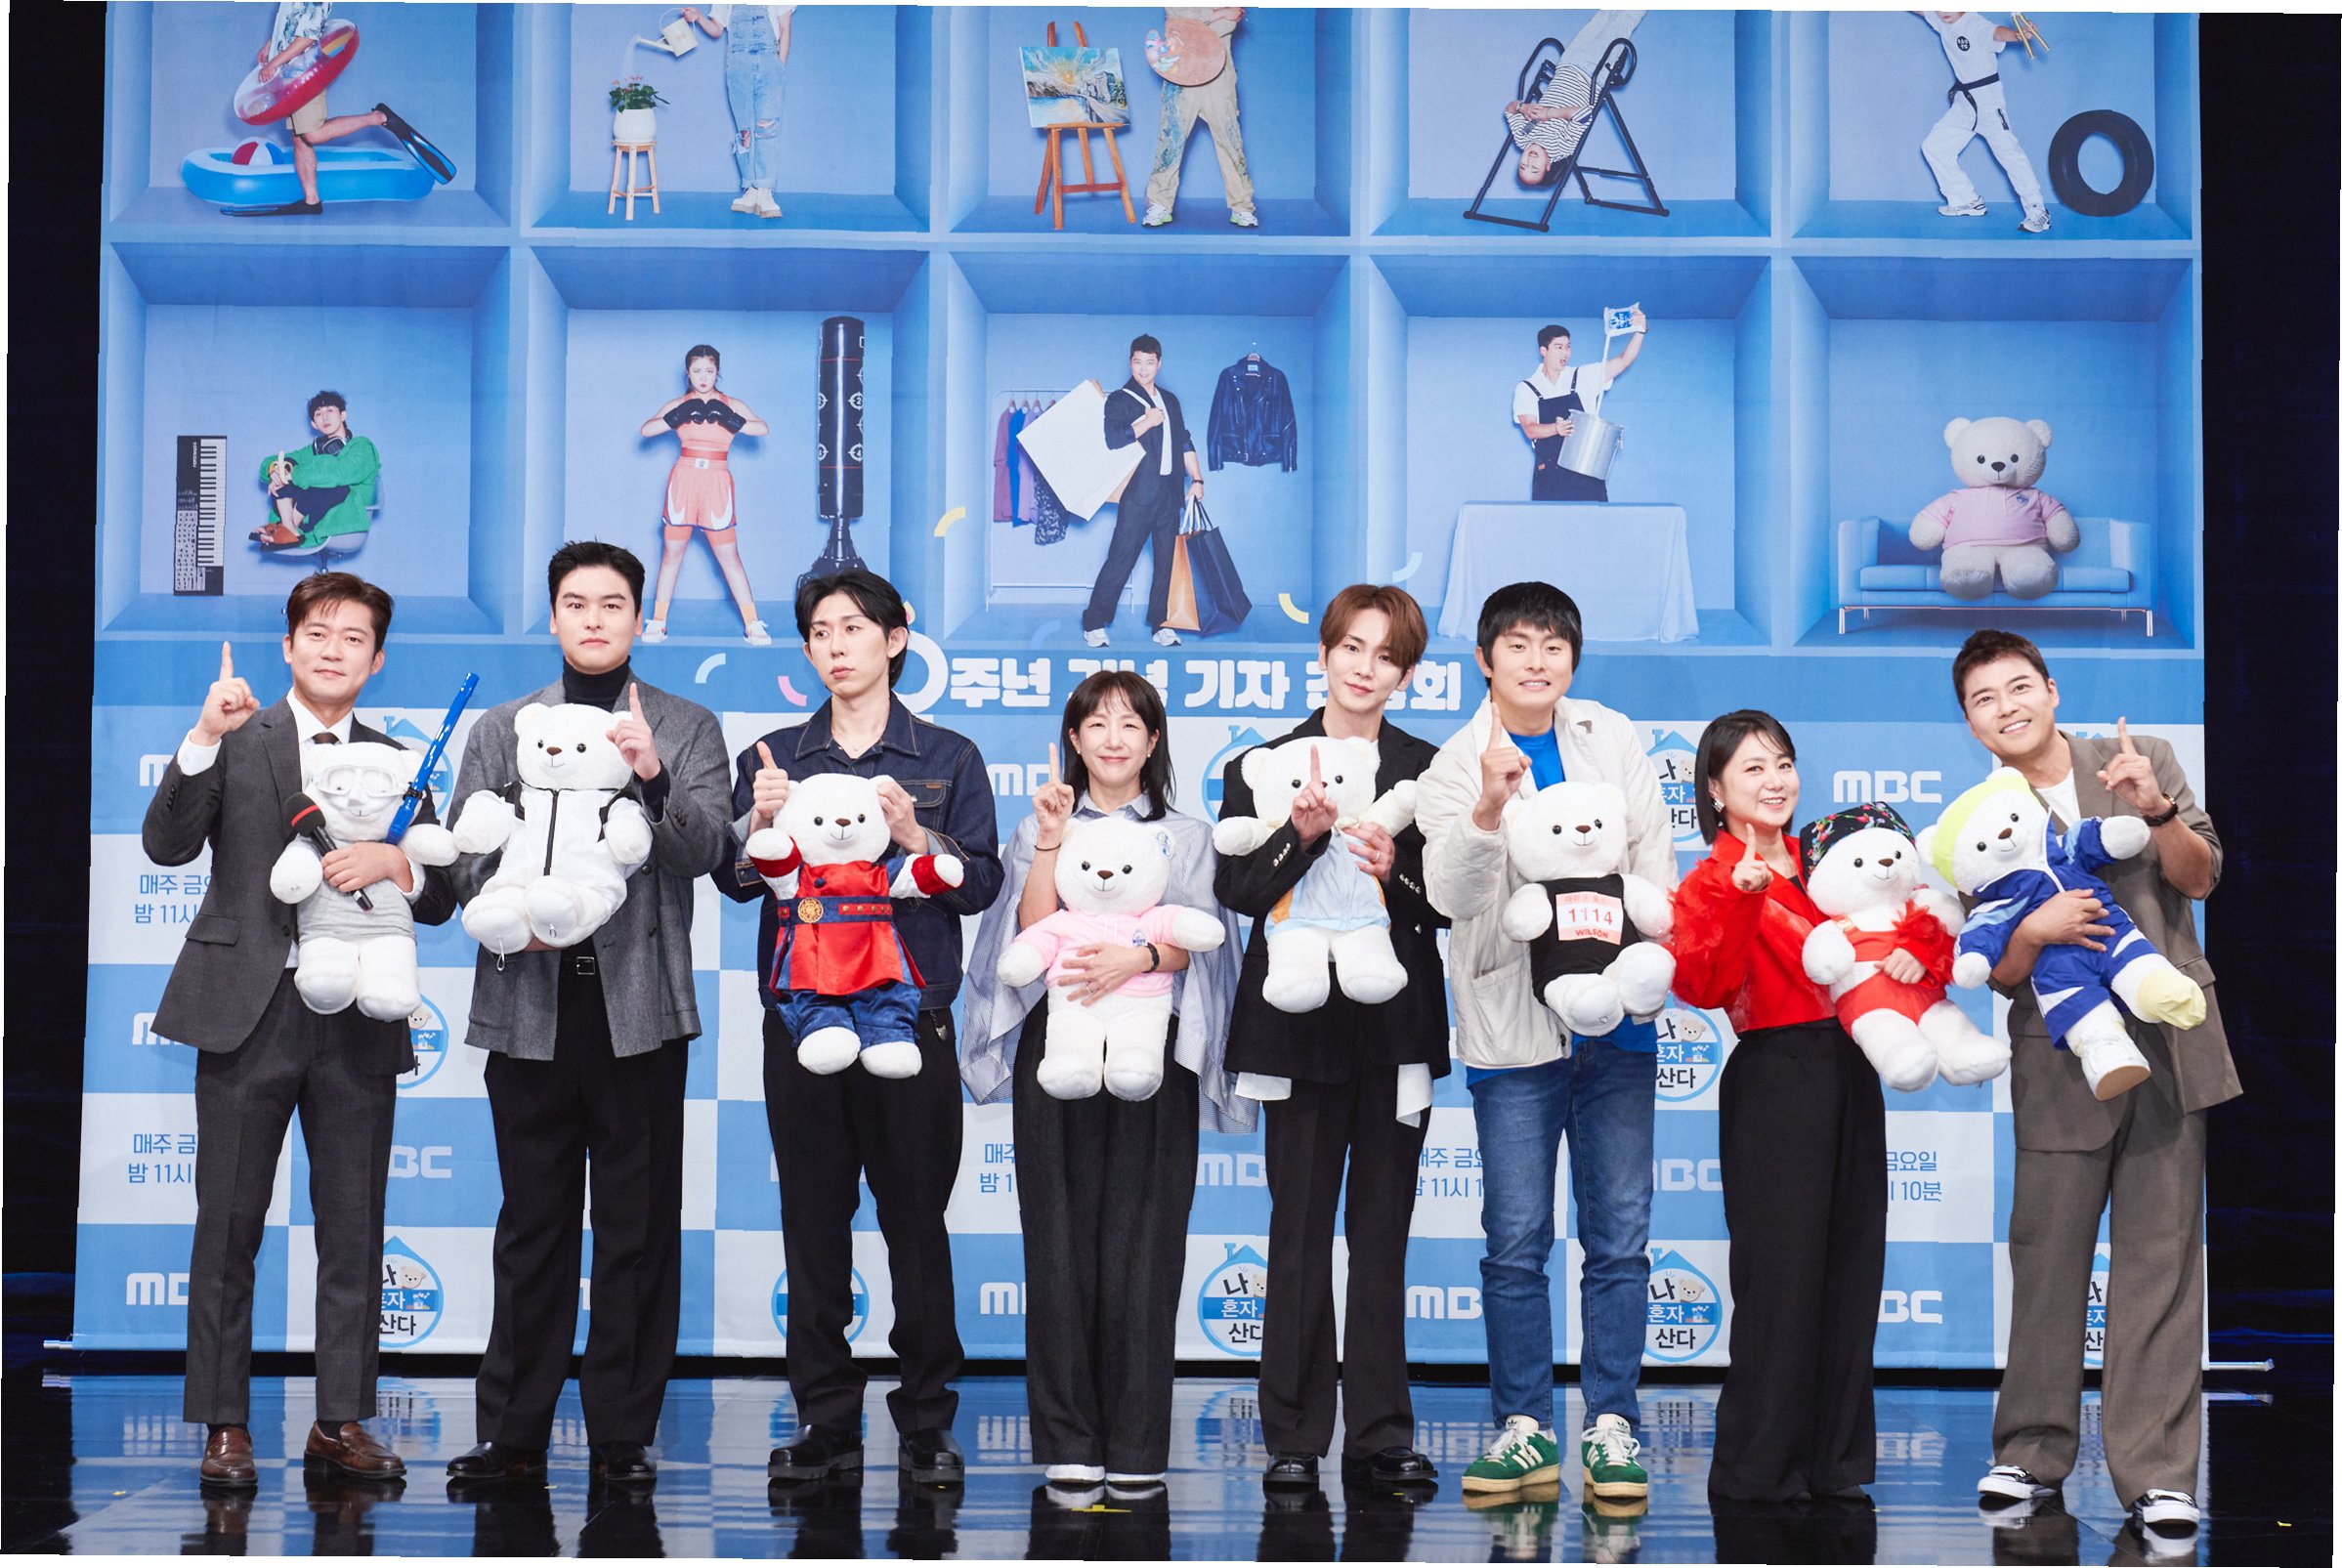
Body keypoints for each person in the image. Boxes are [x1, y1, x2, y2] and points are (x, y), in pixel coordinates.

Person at [141, 573, 456, 1490]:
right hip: (247, 1009)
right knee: (228, 1223)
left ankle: (341, 1420)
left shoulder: (400, 759)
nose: (332, 649)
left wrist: (398, 861)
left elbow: (440, 894)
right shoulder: (238, 736)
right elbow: (166, 844)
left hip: (357, 1012)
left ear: (377, 659)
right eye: (317, 632)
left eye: (353, 637)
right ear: (288, 646)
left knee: (354, 1226)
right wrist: (204, 736)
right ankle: (224, 1424)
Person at [443, 541, 733, 1493]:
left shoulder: (686, 725)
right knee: (532, 1226)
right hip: (528, 1003)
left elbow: (705, 855)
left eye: (613, 603)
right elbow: (463, 860)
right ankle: (512, 1431)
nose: (595, 618)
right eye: (577, 602)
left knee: (635, 1228)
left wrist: (651, 775)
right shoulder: (503, 727)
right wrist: (516, 904)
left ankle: (621, 1432)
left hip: (638, 1011)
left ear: (640, 618)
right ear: (554, 616)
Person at [721, 569, 1003, 1489]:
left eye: (852, 626)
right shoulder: (774, 755)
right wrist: (756, 821)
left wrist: (918, 837)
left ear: (895, 638)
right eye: (819, 630)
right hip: (803, 1019)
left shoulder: (949, 755)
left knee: (916, 1219)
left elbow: (981, 883)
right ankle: (825, 1418)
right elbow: (734, 879)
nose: (836, 644)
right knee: (812, 1219)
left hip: (908, 1019)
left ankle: (926, 1420)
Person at [1952, 629, 2234, 1544]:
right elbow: (1995, 968)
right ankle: (2030, 1452)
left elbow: (2201, 876)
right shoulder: (1977, 816)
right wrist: (2034, 929)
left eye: (2018, 686)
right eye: (1984, 699)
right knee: (2046, 1254)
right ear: (1971, 725)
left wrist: (2155, 810)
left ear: (2051, 689)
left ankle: (2157, 1474)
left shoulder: (2138, 757)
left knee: (2159, 1258)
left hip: (2168, 1039)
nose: (2006, 707)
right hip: (2058, 1051)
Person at [1413, 581, 1673, 1502]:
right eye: (1517, 644)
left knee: (1620, 1237)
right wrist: (1487, 809)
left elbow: (1650, 858)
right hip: (1512, 1031)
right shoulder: (1453, 764)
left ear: (1572, 657)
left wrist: (1637, 966)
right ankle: (1522, 1427)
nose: (1536, 660)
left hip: (1618, 1030)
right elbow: (1450, 895)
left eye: (1552, 644)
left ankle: (1612, 1425)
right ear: (1484, 660)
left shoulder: (1612, 734)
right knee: (1516, 1239)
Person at [960, 670, 1242, 1497]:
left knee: (1146, 1241)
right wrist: (1050, 840)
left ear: (1152, 742)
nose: (1112, 738)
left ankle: (1137, 1443)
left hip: (1153, 1050)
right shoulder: (1039, 823)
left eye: (1129, 724)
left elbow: (1202, 940)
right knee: (1055, 1237)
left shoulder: (1187, 835)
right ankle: (1068, 1439)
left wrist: (1140, 956)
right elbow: (1028, 928)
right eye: (1096, 723)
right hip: (1059, 1044)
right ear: (1073, 739)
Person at [1214, 586, 1447, 1495]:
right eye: (1351, 647)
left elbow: (1452, 903)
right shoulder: (1263, 763)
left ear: (1405, 674)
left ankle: (1381, 1432)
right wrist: (1302, 838)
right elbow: (1238, 892)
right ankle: (1293, 1434)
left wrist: (1398, 873)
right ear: (1323, 654)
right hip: (1297, 1030)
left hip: (1393, 1031)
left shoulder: (1427, 769)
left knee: (1381, 1238)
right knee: (1298, 1233)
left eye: (1385, 655)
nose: (1363, 667)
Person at [1669, 710, 1885, 1504]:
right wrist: (1738, 897)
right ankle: (1758, 1467)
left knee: (1851, 1269)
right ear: (1714, 789)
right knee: (1780, 1278)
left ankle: (1834, 1462)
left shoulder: (1829, 859)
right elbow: (1702, 985)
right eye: (1752, 768)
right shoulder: (1709, 877)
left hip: (1852, 1063)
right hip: (1775, 1075)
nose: (1774, 780)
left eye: (1783, 763)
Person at [237, 2, 437, 217]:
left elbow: (308, 37)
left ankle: (378, 117)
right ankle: (311, 201)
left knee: (312, 134)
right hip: (288, 78)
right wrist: (271, 45)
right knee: (300, 139)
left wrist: (274, 63)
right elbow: (289, 23)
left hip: (305, 75)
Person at [637, 344, 773, 647]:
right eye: (697, 370)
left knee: (729, 556)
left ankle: (753, 624)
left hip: (716, 480)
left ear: (717, 372)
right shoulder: (679, 404)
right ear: (688, 373)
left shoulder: (731, 404)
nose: (703, 377)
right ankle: (658, 621)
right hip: (684, 479)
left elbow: (763, 429)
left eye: (709, 370)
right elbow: (646, 430)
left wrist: (732, 420)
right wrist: (676, 416)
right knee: (672, 553)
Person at [1085, 335, 1205, 650]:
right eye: (1137, 362)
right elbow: (1113, 439)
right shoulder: (1120, 399)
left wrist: (1197, 479)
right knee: (1121, 559)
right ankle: (1094, 622)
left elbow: (1184, 440)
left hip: (1170, 494)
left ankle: (1161, 624)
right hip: (1138, 495)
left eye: (1149, 362)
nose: (1143, 368)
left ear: (1159, 364)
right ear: (1130, 362)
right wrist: (1148, 422)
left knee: (1166, 563)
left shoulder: (1171, 400)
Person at [1916, 12, 2051, 233]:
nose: (1944, 10)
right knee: (1935, 147)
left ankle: (2038, 211)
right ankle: (1965, 200)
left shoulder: (1976, 25)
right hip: (1964, 103)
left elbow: (1997, 33)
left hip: (1988, 101)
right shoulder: (1941, 18)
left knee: (2009, 154)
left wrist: (2017, 35)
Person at [1504, 9, 1645, 186]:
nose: (1529, 161)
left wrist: (1522, 108)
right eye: (1534, 168)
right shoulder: (1561, 148)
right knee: (1620, 24)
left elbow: (1509, 110)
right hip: (1592, 72)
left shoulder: (1522, 138)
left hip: (1567, 63)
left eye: (1523, 166)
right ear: (1548, 166)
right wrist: (1548, 114)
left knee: (1600, 18)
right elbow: (1584, 115)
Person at [1142, 7, 1256, 228]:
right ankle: (1159, 203)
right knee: (1170, 141)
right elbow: (1175, 14)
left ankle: (1242, 206)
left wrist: (1197, 19)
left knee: (1230, 141)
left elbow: (1229, 23)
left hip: (1219, 77)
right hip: (1181, 74)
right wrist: (1219, 13)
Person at [1513, 315, 1644, 502]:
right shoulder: (1527, 388)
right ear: (1544, 350)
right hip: (1549, 478)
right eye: (1558, 347)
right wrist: (1556, 428)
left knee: (1595, 521)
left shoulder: (1583, 376)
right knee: (1548, 522)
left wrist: (1640, 331)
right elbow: (1530, 429)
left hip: (1587, 474)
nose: (1565, 353)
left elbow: (1624, 360)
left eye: (1568, 347)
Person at [681, 5, 795, 219]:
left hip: (769, 64)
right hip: (737, 65)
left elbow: (785, 28)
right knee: (745, 130)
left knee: (767, 127)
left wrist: (779, 66)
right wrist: (698, 18)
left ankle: (765, 189)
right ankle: (750, 188)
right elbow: (717, 30)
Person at [252, 391, 379, 552]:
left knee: (325, 481)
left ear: (343, 415)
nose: (324, 417)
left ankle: (289, 526)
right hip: (312, 519)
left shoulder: (362, 447)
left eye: (330, 410)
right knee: (286, 464)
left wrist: (293, 475)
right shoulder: (315, 450)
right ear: (314, 424)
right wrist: (275, 471)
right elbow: (271, 461)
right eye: (318, 414)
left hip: (340, 522)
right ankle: (288, 527)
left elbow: (336, 473)